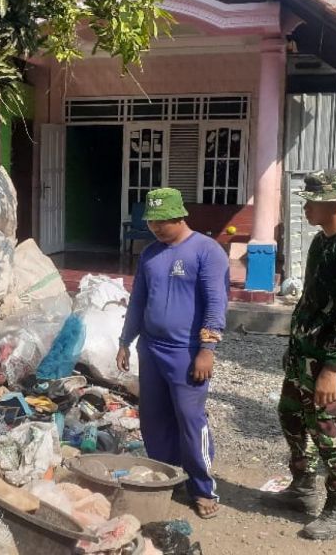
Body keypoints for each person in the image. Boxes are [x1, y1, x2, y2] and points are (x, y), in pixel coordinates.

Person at [264, 169, 336, 541]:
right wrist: (294, 350)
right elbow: (310, 302)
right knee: (291, 416)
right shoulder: (321, 243)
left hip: (327, 358)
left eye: (313, 201)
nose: (306, 207)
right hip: (303, 353)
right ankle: (302, 486)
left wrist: (333, 368)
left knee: (331, 429)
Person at [116, 188, 230, 519]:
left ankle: (202, 487)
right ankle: (168, 474)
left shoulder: (207, 252)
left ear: (179, 216)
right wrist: (125, 340)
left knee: (189, 419)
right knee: (153, 418)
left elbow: (215, 302)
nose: (155, 228)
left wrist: (207, 350)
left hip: (187, 351)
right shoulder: (150, 254)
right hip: (150, 348)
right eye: (151, 222)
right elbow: (138, 300)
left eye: (160, 222)